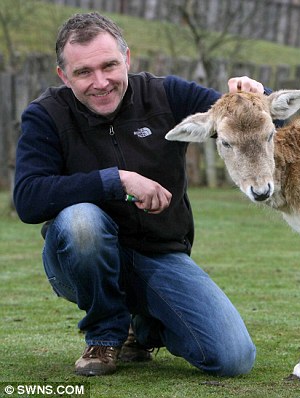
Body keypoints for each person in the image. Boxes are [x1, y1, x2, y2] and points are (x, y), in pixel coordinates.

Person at [13, 12, 265, 377]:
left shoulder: (167, 95)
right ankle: (104, 336)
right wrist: (117, 180)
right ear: (63, 76)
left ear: (127, 59)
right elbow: (28, 198)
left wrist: (257, 96)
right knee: (81, 219)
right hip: (80, 259)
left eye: (109, 66)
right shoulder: (45, 116)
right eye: (83, 73)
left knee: (233, 359)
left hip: (159, 256)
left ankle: (144, 328)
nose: (100, 82)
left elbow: (248, 118)